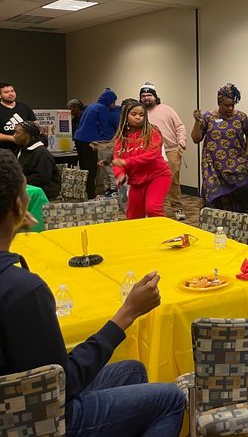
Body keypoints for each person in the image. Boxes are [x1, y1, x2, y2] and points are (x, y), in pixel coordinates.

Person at [0, 149, 186, 436]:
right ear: (18, 206)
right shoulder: (24, 291)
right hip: (42, 421)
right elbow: (62, 385)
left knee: (132, 371)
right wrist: (127, 313)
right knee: (170, 399)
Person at [192, 83, 248, 223]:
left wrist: (246, 154)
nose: (230, 108)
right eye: (227, 105)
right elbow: (196, 139)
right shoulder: (208, 117)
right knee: (218, 199)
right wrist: (197, 122)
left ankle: (244, 227)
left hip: (237, 164)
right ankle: (222, 228)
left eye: (232, 105)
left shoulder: (241, 117)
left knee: (243, 194)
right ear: (219, 102)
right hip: (214, 167)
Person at [112, 100, 172, 220]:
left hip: (158, 176)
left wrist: (127, 162)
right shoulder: (121, 139)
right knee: (133, 216)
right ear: (125, 116)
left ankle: (163, 234)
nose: (138, 117)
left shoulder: (152, 131)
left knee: (152, 208)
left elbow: (152, 155)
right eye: (134, 114)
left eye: (141, 115)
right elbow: (117, 161)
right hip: (137, 181)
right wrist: (120, 174)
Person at [139, 83, 188, 221]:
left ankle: (177, 208)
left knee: (172, 180)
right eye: (143, 96)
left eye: (149, 95)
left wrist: (182, 140)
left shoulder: (166, 109)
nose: (146, 98)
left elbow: (180, 126)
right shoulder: (139, 113)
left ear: (155, 96)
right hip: (148, 152)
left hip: (170, 150)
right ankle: (151, 209)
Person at [74, 89, 117, 199]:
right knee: (92, 169)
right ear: (108, 101)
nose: (114, 105)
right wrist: (104, 142)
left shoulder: (92, 106)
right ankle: (91, 194)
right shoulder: (102, 108)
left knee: (83, 168)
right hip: (89, 141)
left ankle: (82, 193)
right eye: (113, 102)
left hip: (78, 138)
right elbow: (103, 126)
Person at [14, 121, 60, 199]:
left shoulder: (42, 153)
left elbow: (41, 178)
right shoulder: (22, 149)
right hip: (28, 185)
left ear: (27, 135)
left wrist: (18, 180)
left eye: (17, 133)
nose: (14, 135)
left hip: (44, 190)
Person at [0, 83, 36, 153]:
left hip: (25, 151)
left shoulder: (25, 107)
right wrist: (13, 138)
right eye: (6, 92)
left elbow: (34, 125)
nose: (11, 94)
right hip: (4, 152)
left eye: (12, 91)